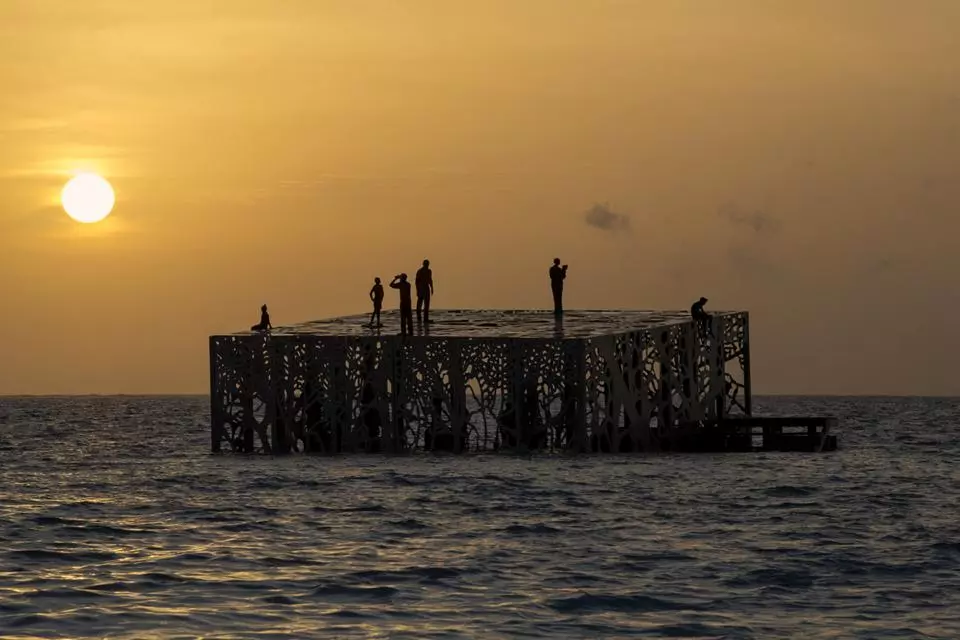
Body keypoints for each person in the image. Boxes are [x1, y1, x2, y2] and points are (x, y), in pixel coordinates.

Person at [415, 259, 434, 324]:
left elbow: (430, 279)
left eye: (427, 264)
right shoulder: (420, 271)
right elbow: (417, 281)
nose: (427, 265)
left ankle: (426, 319)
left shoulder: (429, 271)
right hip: (421, 288)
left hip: (426, 288)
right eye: (426, 264)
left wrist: (432, 288)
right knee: (419, 304)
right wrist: (417, 290)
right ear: (423, 264)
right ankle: (419, 318)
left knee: (426, 305)